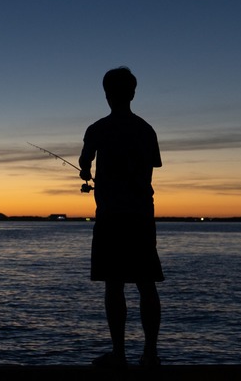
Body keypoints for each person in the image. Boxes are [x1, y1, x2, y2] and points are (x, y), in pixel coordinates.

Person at [79, 66, 163, 368]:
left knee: (113, 285)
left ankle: (119, 354)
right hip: (141, 215)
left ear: (107, 94)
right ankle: (150, 354)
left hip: (111, 217)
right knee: (146, 284)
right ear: (133, 93)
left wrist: (86, 173)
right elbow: (151, 166)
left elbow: (84, 161)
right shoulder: (146, 130)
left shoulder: (98, 129)